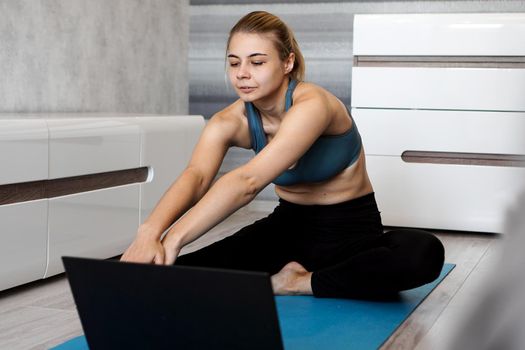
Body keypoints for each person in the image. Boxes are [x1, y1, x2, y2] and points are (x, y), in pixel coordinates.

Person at [121, 11, 444, 299]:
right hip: (283, 231)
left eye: (257, 62)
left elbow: (247, 181)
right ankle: (309, 278)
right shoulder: (228, 121)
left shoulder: (314, 104)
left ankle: (298, 283)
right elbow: (197, 176)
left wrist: (175, 237)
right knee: (172, 273)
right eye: (234, 62)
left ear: (287, 63)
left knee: (422, 253)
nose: (242, 73)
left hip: (351, 233)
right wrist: (150, 234)